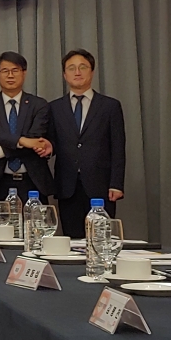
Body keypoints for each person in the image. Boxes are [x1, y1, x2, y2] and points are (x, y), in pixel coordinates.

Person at [48, 49, 126, 237]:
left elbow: (118, 147)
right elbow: (52, 143)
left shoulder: (110, 106)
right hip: (68, 186)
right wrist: (47, 147)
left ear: (92, 71)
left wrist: (116, 184)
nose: (77, 72)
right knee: (72, 240)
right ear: (64, 74)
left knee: (100, 239)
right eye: (71, 68)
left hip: (101, 186)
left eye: (83, 67)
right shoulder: (54, 107)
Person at [0, 51, 55, 204]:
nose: (10, 75)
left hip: (33, 181)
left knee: (36, 220)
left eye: (15, 70)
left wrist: (0, 151)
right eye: (5, 71)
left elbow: (35, 139)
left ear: (24, 73)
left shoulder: (39, 105)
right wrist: (22, 141)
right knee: (1, 220)